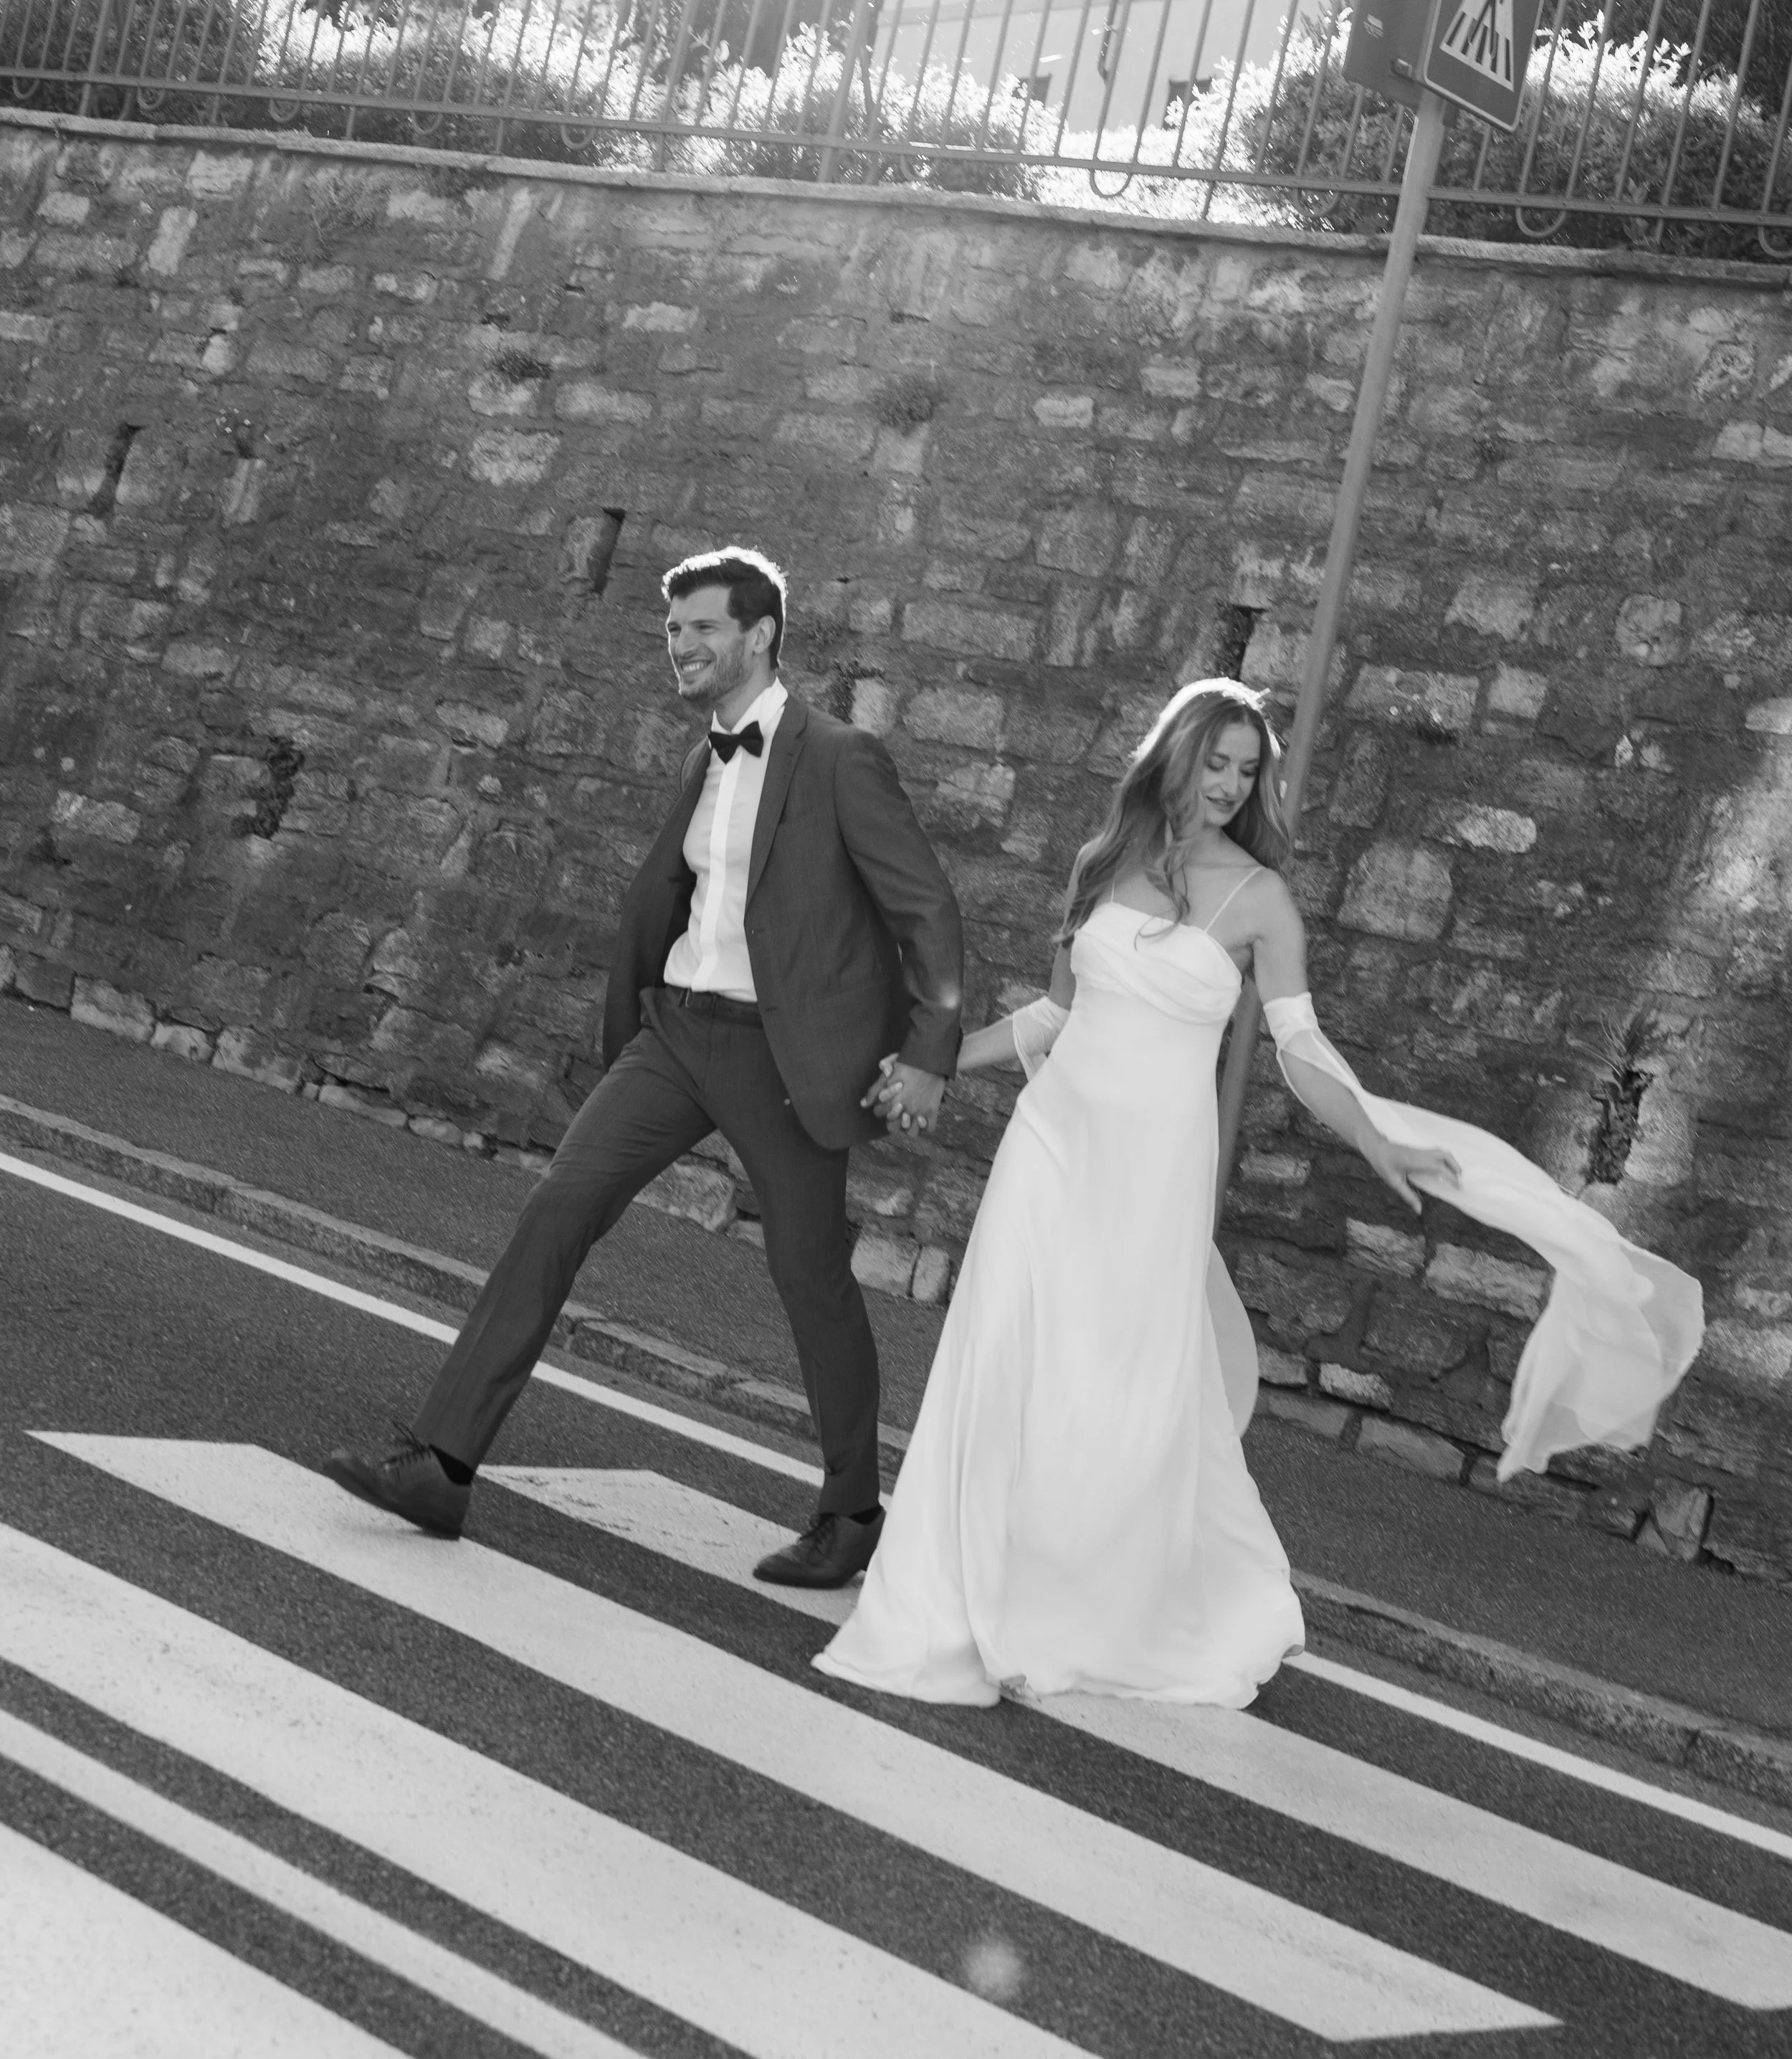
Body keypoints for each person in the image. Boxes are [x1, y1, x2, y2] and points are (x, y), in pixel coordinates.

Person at [817, 678, 1705, 1709]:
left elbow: (1301, 1046)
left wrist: (1376, 1137)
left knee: (1118, 1381)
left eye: (1249, 771)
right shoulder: (1102, 862)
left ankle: (1082, 1599)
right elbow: (1049, 1020)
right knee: (1006, 1350)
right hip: (1054, 1143)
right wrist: (920, 1068)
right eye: (1219, 763)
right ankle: (965, 1584)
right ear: (1175, 758)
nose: (1234, 786)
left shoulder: (1264, 899)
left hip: (1156, 1168)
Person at [326, 545, 964, 1589]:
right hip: (676, 1036)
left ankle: (851, 1511)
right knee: (558, 1207)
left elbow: (927, 910)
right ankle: (442, 1462)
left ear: (759, 635)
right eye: (673, 630)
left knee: (807, 1277)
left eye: (702, 627)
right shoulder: (706, 756)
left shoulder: (840, 758)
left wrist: (930, 1055)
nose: (682, 645)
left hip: (781, 1056)